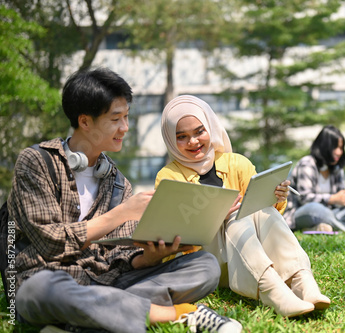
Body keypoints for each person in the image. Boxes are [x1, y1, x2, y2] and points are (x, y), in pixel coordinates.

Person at [8, 68, 241, 333]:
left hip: (108, 282)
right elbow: (49, 244)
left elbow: (121, 255)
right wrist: (121, 213)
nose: (125, 128)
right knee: (40, 290)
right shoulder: (36, 161)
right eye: (116, 119)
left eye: (126, 117)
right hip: (46, 280)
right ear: (85, 122)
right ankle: (178, 314)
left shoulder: (117, 181)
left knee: (204, 265)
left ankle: (83, 320)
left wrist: (149, 258)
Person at [155, 95, 331, 318]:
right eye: (182, 136)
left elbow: (268, 215)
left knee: (261, 209)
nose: (193, 142)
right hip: (210, 262)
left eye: (199, 131)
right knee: (236, 213)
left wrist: (276, 197)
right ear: (171, 139)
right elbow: (172, 237)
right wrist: (214, 217)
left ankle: (301, 280)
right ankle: (272, 290)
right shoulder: (169, 177)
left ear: (210, 127)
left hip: (250, 255)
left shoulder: (236, 163)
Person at [283, 125, 345, 233]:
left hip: (330, 213)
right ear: (323, 146)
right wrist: (332, 199)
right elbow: (305, 199)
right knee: (316, 209)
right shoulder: (307, 163)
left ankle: (319, 228)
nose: (339, 152)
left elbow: (339, 200)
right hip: (301, 213)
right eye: (335, 147)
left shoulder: (337, 169)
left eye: (341, 148)